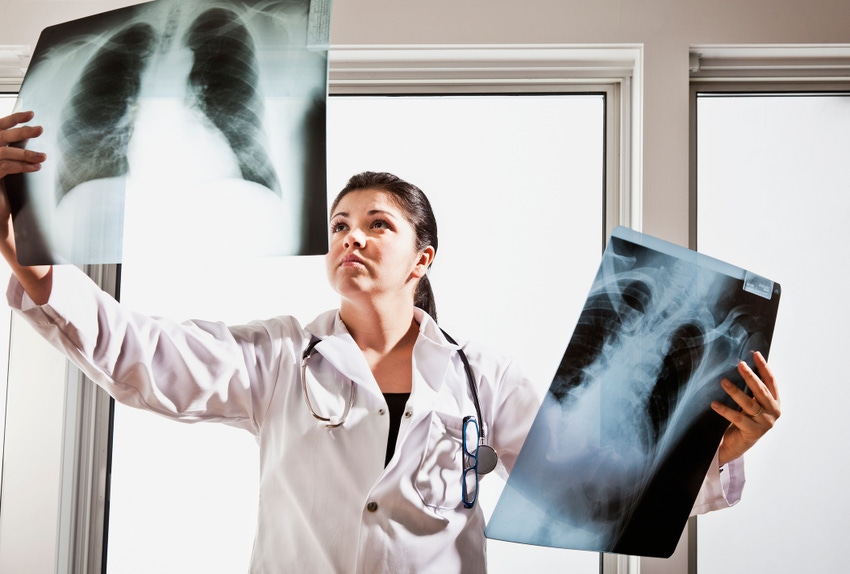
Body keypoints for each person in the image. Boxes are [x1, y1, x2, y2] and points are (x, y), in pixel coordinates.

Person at [0, 111, 780, 573]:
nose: (354, 238)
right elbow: (140, 355)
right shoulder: (276, 358)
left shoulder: (480, 377)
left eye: (379, 225)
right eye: (341, 225)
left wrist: (720, 448)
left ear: (423, 258)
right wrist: (27, 254)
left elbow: (593, 487)